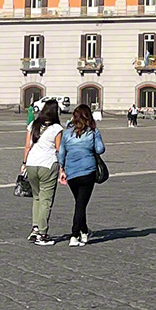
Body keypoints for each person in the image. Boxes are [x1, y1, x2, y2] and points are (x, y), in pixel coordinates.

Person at [56, 103, 105, 246]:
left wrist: (61, 169)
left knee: (80, 203)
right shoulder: (92, 132)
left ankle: (84, 231)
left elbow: (61, 153)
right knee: (81, 204)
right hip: (87, 171)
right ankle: (74, 234)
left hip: (71, 172)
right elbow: (100, 149)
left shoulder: (67, 133)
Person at [20, 99, 65, 245]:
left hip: (31, 163)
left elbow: (27, 146)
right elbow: (59, 149)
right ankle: (42, 233)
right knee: (46, 199)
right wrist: (62, 168)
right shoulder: (57, 128)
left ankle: (35, 228)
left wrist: (24, 163)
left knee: (37, 197)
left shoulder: (33, 125)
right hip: (48, 164)